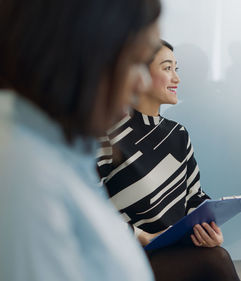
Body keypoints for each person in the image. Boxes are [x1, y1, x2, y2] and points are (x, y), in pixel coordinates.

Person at [0, 0, 161, 280]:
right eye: (136, 61)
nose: (143, 83)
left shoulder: (59, 149)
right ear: (82, 51)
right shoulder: (26, 176)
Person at [96, 40, 240, 281]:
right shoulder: (107, 136)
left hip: (175, 251)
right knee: (216, 262)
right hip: (127, 257)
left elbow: (195, 197)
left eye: (177, 68)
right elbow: (91, 209)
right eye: (167, 68)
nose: (177, 79)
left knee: (216, 254)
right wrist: (140, 236)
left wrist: (209, 230)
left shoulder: (178, 135)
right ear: (139, 75)